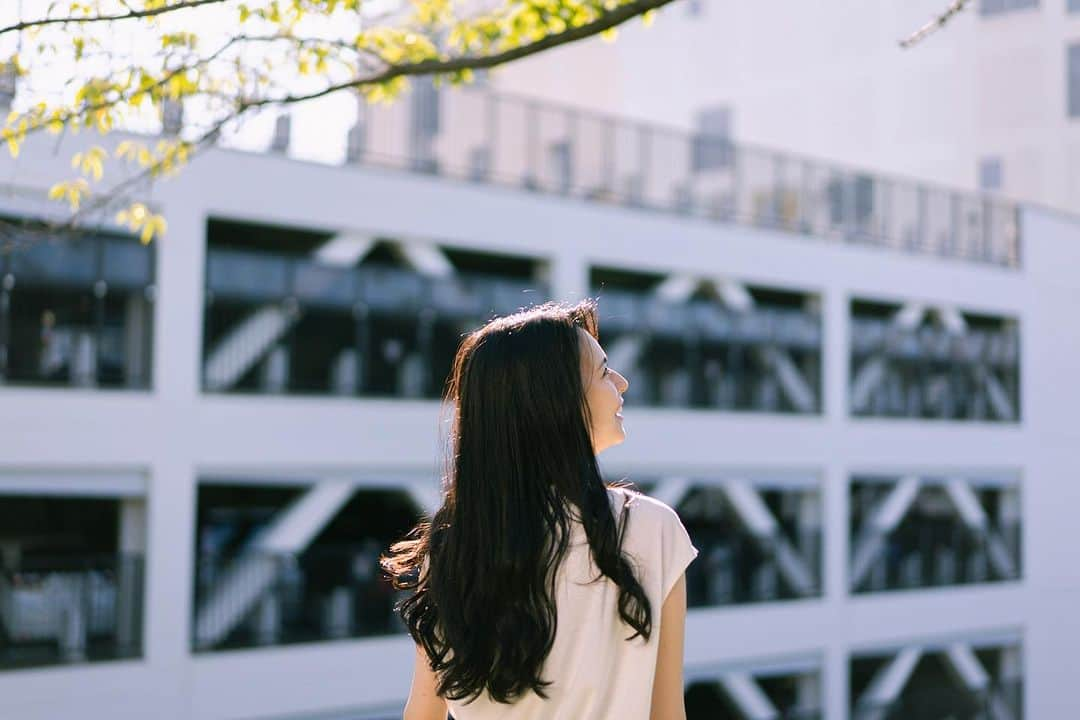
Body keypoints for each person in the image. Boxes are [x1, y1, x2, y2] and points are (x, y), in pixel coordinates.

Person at [382, 300, 698, 720]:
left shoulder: (455, 546)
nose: (621, 383)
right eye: (603, 371)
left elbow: (421, 714)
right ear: (556, 403)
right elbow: (668, 715)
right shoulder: (652, 529)